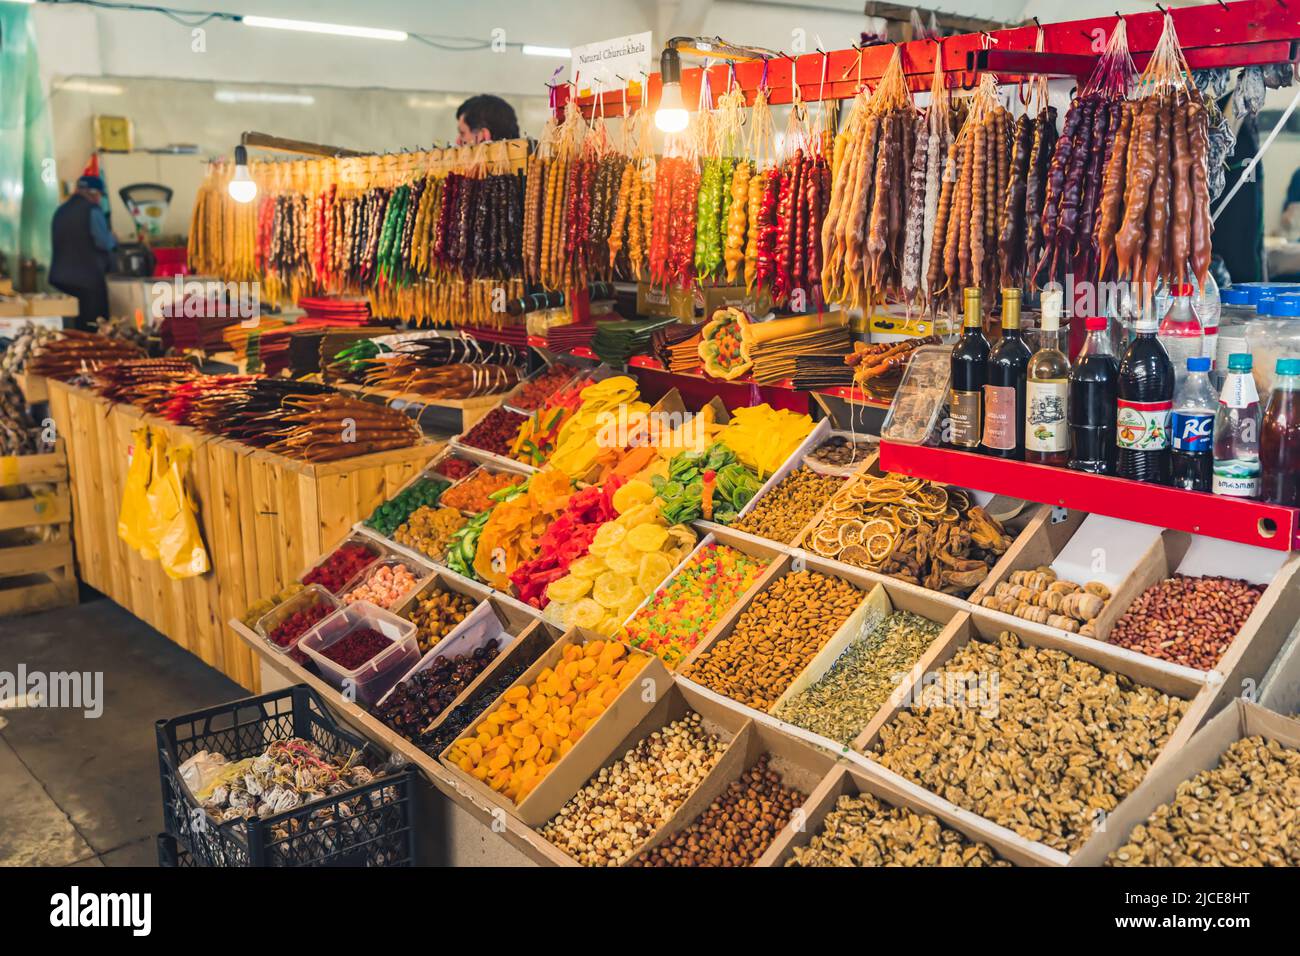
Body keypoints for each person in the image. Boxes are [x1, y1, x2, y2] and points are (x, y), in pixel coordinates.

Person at [49, 175, 116, 331]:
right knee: (93, 325)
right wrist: (114, 239)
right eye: (99, 195)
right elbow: (104, 242)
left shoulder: (61, 210)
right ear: (93, 193)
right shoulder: (91, 210)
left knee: (74, 326)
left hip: (61, 278)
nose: (99, 199)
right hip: (86, 280)